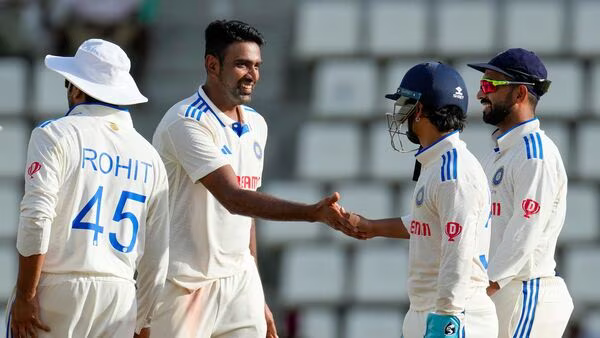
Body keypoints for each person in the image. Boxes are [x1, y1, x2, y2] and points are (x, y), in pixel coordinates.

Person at [150, 19, 352, 338]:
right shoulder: (186, 121)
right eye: (242, 64)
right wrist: (311, 213)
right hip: (185, 284)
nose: (252, 75)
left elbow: (248, 216)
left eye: (257, 65)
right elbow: (234, 199)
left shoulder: (257, 124)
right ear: (212, 65)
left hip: (239, 284)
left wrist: (257, 294)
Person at [8, 38, 169, 338]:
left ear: (78, 88)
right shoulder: (150, 157)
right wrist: (143, 322)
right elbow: (158, 254)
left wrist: (26, 296)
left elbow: (36, 217)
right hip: (119, 296)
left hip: (57, 289)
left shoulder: (54, 135)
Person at [343, 62, 498, 338]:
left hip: (454, 315)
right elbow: (428, 222)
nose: (400, 115)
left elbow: (458, 251)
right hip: (428, 309)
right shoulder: (436, 162)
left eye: (405, 105)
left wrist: (446, 320)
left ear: (421, 110)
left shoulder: (453, 172)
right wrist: (371, 226)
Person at [468, 48, 573, 337]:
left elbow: (524, 231)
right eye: (481, 86)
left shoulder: (535, 155)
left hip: (525, 292)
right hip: (499, 291)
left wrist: (485, 285)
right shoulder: (496, 155)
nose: (480, 95)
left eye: (490, 85)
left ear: (519, 94)